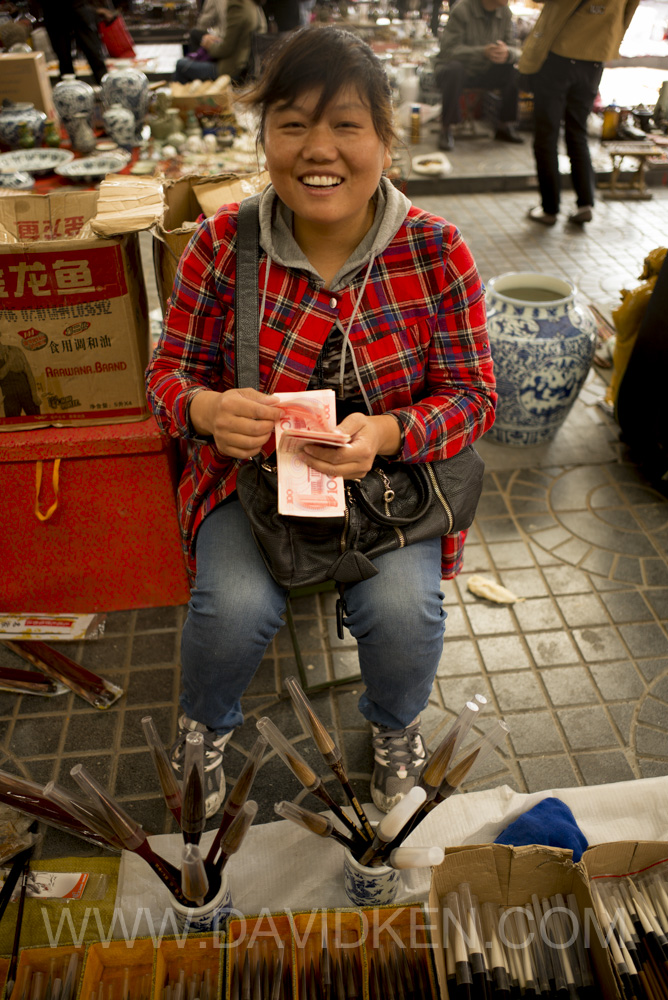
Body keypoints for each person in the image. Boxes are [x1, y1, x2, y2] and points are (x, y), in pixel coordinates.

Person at [146, 25, 496, 819]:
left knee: (407, 614)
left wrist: (386, 434)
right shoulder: (218, 244)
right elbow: (164, 376)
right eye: (293, 123)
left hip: (393, 491)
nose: (319, 149)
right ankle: (205, 725)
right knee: (231, 608)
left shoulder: (438, 253)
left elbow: (475, 395)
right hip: (253, 485)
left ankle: (394, 727)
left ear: (385, 138)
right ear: (264, 135)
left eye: (346, 125)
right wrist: (205, 411)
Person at [520, 0, 639, 226]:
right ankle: (585, 204)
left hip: (561, 54)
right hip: (595, 57)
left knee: (547, 134)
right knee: (577, 131)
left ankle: (549, 209)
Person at [433, 0, 523, 152]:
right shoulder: (462, 9)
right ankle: (446, 128)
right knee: (454, 70)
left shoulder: (505, 12)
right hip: (460, 70)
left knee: (512, 71)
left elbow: (514, 47)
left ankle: (504, 125)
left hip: (486, 70)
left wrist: (507, 53)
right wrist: (483, 52)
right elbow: (449, 50)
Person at [173, 0, 266, 84]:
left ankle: (181, 101)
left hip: (230, 69)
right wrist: (217, 41)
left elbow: (225, 49)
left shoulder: (237, 6)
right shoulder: (252, 4)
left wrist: (209, 45)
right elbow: (237, 40)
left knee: (181, 65)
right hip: (243, 64)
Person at [40, 0, 113, 86]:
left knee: (93, 52)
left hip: (76, 7)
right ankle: (68, 91)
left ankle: (106, 87)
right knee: (63, 56)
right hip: (53, 11)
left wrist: (95, 9)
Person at [0, 339, 41, 418]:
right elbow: (1, 375)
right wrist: (10, 360)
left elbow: (29, 373)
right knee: (13, 424)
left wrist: (34, 394)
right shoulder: (12, 354)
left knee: (37, 420)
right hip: (9, 396)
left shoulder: (15, 350)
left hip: (26, 392)